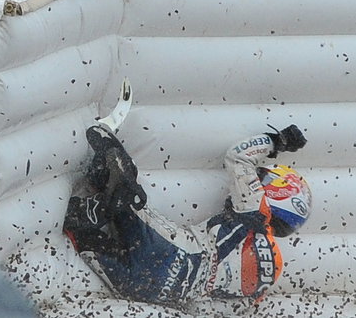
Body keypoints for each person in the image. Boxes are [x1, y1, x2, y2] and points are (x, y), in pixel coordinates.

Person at [63, 80, 312, 307]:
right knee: (79, 231)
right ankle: (89, 214)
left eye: (265, 178)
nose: (259, 179)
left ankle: (98, 167)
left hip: (172, 253)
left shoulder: (256, 211)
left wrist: (277, 141)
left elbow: (238, 157)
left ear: (281, 193)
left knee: (126, 190)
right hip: (155, 293)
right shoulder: (272, 272)